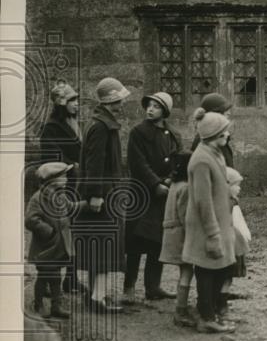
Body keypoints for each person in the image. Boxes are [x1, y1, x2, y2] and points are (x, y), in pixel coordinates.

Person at [78, 76, 130, 314]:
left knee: (100, 246)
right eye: (120, 98)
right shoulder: (101, 126)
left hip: (106, 192)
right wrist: (96, 194)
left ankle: (95, 296)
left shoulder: (100, 122)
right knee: (103, 247)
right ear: (112, 100)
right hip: (103, 195)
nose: (122, 103)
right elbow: (94, 163)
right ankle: (98, 298)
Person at [182, 109, 236, 334]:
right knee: (206, 270)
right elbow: (203, 202)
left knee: (218, 268)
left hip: (219, 222)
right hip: (207, 225)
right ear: (214, 134)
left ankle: (211, 312)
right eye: (224, 133)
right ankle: (206, 317)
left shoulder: (215, 153)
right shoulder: (201, 160)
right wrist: (213, 233)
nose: (227, 136)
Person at [124, 91, 181, 304]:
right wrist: (155, 183)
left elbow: (178, 161)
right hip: (142, 194)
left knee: (157, 241)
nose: (150, 109)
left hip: (162, 197)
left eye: (156, 106)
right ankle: (129, 288)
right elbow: (137, 163)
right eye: (148, 105)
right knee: (135, 243)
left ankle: (153, 286)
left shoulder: (173, 134)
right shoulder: (137, 132)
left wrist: (168, 180)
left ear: (164, 111)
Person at [38, 81, 84, 296]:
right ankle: (48, 281)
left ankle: (71, 279)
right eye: (72, 101)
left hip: (75, 184)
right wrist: (72, 165)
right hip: (58, 186)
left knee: (75, 232)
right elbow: (51, 156)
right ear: (61, 104)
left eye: (77, 100)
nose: (76, 105)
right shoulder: (51, 128)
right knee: (55, 234)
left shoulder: (74, 124)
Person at [25, 162, 88, 320]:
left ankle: (56, 306)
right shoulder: (38, 198)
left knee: (55, 277)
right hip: (45, 246)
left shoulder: (60, 196)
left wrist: (86, 205)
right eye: (63, 176)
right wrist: (49, 231)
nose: (66, 179)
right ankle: (38, 304)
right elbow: (30, 220)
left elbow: (71, 208)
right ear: (52, 180)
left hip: (58, 246)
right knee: (44, 276)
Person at [160, 150, 196, 327]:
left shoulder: (174, 185)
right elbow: (185, 216)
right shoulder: (186, 188)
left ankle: (181, 307)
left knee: (184, 271)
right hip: (181, 234)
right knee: (187, 271)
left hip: (171, 232)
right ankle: (180, 310)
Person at [219, 166, 250, 324]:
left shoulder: (233, 203)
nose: (239, 189)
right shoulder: (222, 204)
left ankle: (222, 301)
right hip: (226, 244)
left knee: (228, 277)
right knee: (223, 276)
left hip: (234, 243)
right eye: (236, 185)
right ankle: (220, 304)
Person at [190, 93, 235, 168]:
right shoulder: (204, 140)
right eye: (225, 110)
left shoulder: (219, 137)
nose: (229, 113)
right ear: (214, 114)